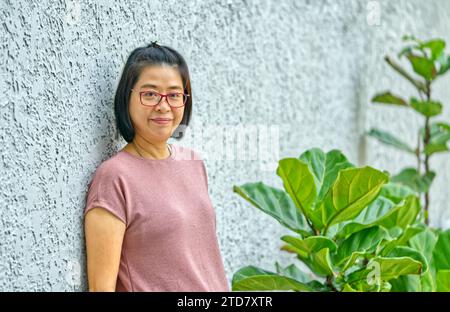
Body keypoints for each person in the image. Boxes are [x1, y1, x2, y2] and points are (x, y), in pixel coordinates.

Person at [83, 42, 230, 292]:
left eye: (174, 95)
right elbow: (101, 288)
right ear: (127, 98)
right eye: (150, 94)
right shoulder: (114, 177)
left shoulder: (193, 162)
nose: (163, 106)